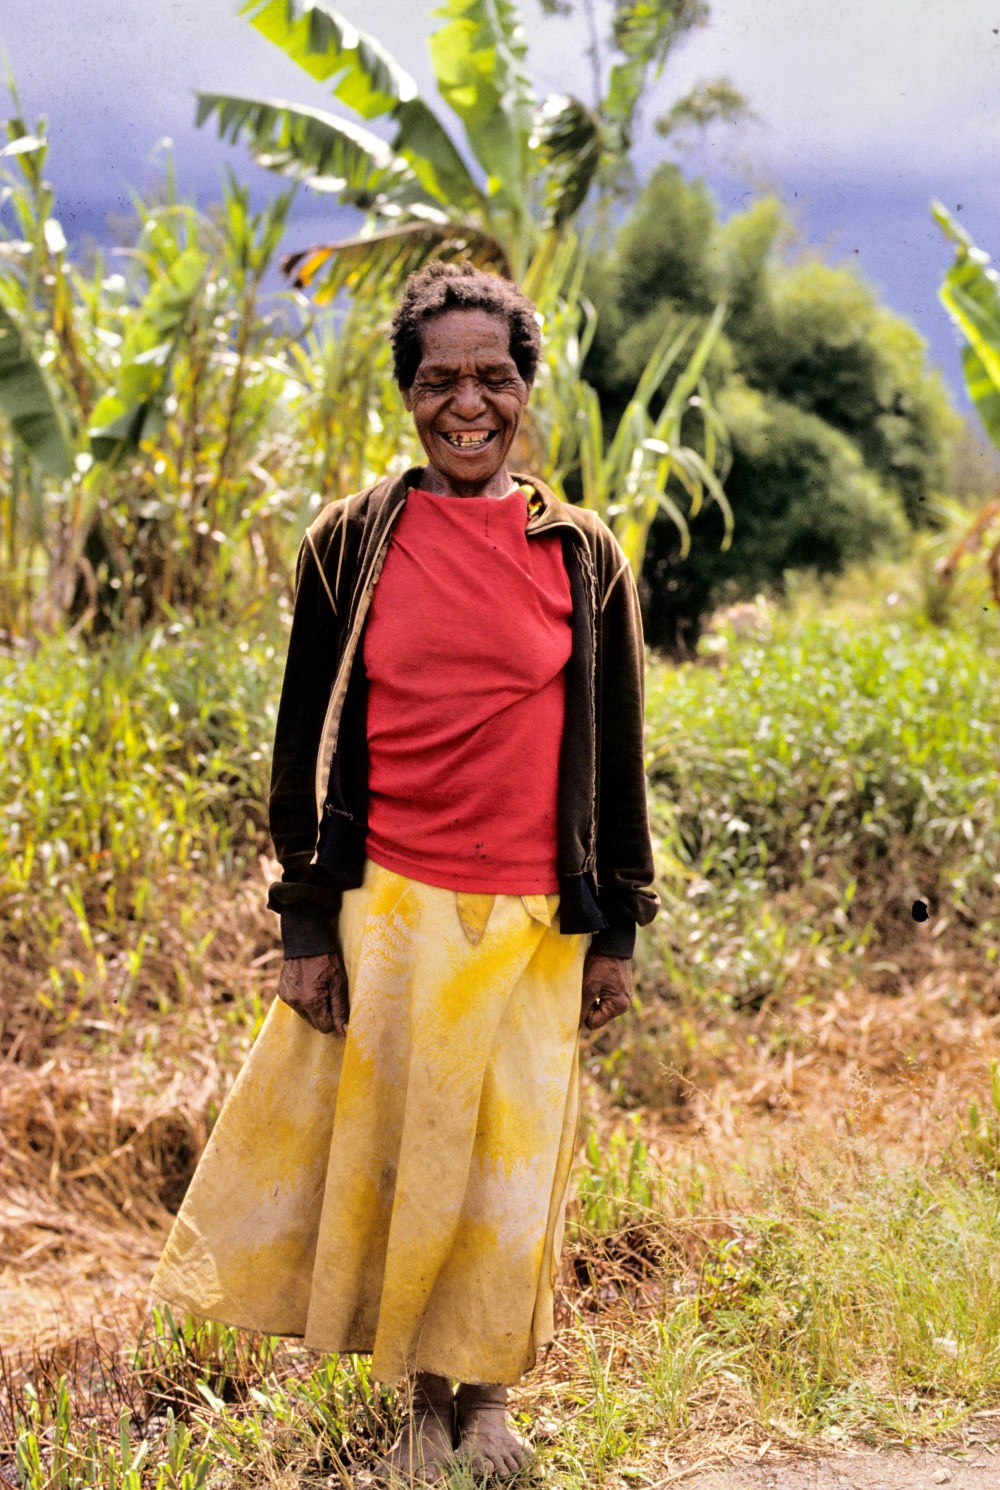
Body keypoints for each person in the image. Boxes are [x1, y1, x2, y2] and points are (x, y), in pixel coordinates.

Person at [151, 262, 658, 1482]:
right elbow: (301, 741)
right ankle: (418, 1401)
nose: (466, 403)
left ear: (526, 389)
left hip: (537, 916)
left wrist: (622, 927)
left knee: (505, 1165)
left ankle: (483, 1401)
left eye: (492, 376)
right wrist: (306, 920)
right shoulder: (351, 540)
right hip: (392, 904)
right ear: (409, 394)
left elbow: (620, 748)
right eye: (439, 380)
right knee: (409, 1160)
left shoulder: (584, 554)